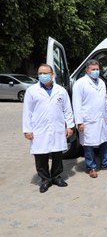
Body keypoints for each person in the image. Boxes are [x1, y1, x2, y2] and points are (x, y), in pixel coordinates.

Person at [23, 64, 75, 193]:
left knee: (57, 153)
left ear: (52, 74)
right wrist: (27, 129)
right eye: (40, 73)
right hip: (39, 128)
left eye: (45, 73)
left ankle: (57, 176)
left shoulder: (61, 90)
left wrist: (70, 126)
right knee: (41, 155)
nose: (43, 76)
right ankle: (45, 179)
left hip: (57, 127)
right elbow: (27, 111)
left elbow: (67, 109)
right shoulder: (32, 90)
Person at [72, 60, 107, 178]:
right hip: (88, 119)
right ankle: (91, 167)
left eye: (97, 69)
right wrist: (79, 122)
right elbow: (76, 104)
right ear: (87, 70)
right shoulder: (80, 83)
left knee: (105, 142)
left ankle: (105, 163)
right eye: (93, 69)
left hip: (102, 118)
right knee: (88, 144)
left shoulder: (101, 82)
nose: (95, 71)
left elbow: (105, 100)